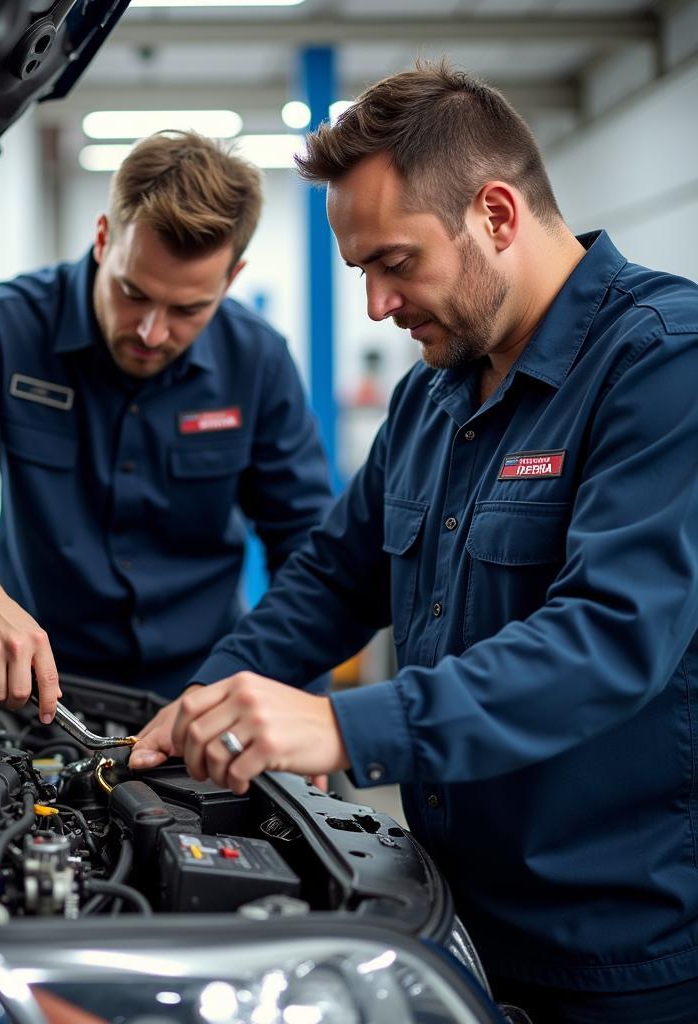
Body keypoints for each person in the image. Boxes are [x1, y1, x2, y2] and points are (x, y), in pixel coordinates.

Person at [129, 62, 698, 1022]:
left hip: (611, 956)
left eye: (395, 262)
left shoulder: (663, 362)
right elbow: (333, 579)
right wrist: (203, 704)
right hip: (439, 916)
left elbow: (607, 639)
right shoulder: (434, 396)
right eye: (361, 272)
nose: (377, 307)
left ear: (498, 214)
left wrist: (343, 727)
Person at [0, 131, 333, 725]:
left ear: (231, 278)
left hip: (201, 699)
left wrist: (297, 695)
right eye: (133, 292)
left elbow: (308, 547)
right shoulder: (5, 329)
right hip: (39, 694)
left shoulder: (257, 360)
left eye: (187, 310)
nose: (152, 332)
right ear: (103, 238)